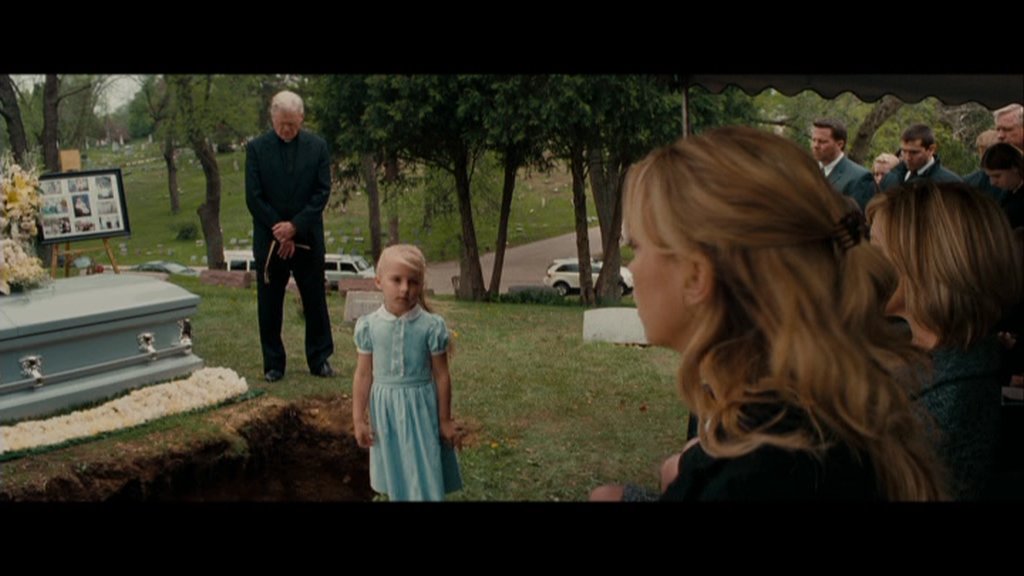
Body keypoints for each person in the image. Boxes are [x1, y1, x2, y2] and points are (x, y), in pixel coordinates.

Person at [590, 127, 944, 501]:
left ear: (695, 276)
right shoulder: (815, 412)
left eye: (639, 247)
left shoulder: (761, 471)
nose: (634, 266)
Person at [866, 181, 1023, 499]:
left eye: (877, 250)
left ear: (930, 265)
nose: (864, 264)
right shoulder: (909, 347)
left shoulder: (955, 402)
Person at [352, 244, 462, 501]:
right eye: (397, 280)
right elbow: (363, 375)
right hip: (386, 411)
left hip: (420, 408)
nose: (404, 288)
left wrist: (444, 420)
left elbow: (441, 375)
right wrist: (358, 419)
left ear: (421, 285)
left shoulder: (431, 326)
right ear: (379, 281)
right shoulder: (369, 326)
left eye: (413, 282)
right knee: (396, 471)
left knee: (423, 467)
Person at [245, 90, 334, 383]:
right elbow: (254, 197)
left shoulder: (317, 147)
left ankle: (319, 358)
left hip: (307, 236)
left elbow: (321, 192)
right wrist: (280, 230)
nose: (286, 130)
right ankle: (273, 363)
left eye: (292, 124)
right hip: (270, 238)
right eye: (282, 124)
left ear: (301, 119)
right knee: (269, 302)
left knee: (315, 299)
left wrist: (294, 227)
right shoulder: (256, 149)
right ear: (272, 118)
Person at [810, 118, 876, 210]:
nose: (815, 146)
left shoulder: (859, 178)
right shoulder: (809, 171)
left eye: (822, 142)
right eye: (813, 140)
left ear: (840, 144)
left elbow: (858, 216)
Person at [879, 124, 962, 191]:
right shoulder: (890, 179)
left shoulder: (949, 184)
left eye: (914, 152)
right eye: (904, 151)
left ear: (931, 149)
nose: (907, 158)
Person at [981, 142, 1024, 229]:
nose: (992, 182)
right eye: (989, 176)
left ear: (1014, 168)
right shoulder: (1007, 192)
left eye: (997, 176)